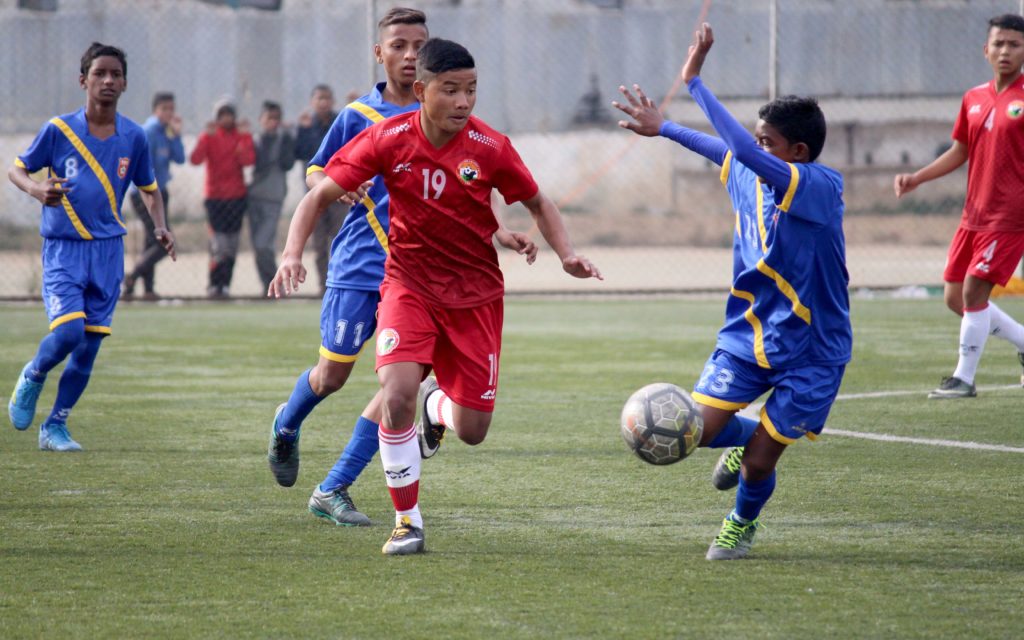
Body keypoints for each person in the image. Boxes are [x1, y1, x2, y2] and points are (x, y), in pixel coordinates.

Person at [270, 37, 601, 555]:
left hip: (476, 299)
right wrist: (291, 254)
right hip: (407, 286)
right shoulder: (386, 138)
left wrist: (567, 253)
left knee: (472, 431)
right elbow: (319, 195)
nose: (464, 102)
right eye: (452, 90)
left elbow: (538, 202)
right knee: (395, 393)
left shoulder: (490, 147)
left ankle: (438, 411)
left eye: (471, 90)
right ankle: (407, 522)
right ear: (422, 90)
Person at [615, 22, 851, 560]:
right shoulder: (749, 171)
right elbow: (720, 148)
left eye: (768, 143)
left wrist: (693, 81)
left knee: (762, 462)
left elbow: (739, 148)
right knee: (695, 431)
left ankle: (741, 523)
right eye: (757, 138)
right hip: (747, 335)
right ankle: (748, 434)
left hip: (813, 351)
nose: (754, 147)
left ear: (798, 151)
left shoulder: (817, 186)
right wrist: (665, 127)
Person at [265, 7, 431, 527]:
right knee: (333, 376)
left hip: (415, 276)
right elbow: (317, 170)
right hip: (359, 267)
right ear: (379, 54)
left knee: (400, 387)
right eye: (399, 45)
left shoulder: (442, 114)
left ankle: (333, 488)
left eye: (419, 46)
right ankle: (287, 425)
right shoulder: (359, 115)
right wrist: (335, 189)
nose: (410, 55)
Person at [7, 42, 176, 451]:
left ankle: (55, 426)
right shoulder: (60, 130)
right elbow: (17, 169)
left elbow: (150, 190)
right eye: (99, 73)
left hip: (108, 253)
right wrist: (35, 187)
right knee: (67, 335)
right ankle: (33, 373)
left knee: (89, 346)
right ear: (84, 80)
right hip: (64, 249)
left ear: (125, 83)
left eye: (115, 74)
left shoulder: (134, 137)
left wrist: (160, 227)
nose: (107, 81)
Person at [894, 13, 1024, 399]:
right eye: (999, 43)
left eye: (1014, 44)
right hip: (973, 215)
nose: (1005, 51)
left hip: (1009, 216)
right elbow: (959, 151)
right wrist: (916, 177)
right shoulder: (974, 98)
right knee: (956, 298)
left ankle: (963, 379)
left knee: (973, 294)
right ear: (986, 50)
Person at [190, 100, 255, 298]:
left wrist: (245, 137)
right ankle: (214, 283)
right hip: (215, 198)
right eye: (222, 115)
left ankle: (225, 284)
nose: (226, 119)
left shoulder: (240, 136)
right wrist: (203, 138)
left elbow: (248, 160)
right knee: (219, 245)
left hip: (236, 197)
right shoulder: (210, 136)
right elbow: (195, 160)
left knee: (232, 244)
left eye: (229, 114)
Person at [124, 91, 183, 300]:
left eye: (172, 109)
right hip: (144, 193)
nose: (169, 113)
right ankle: (132, 276)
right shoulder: (148, 131)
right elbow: (141, 166)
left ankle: (147, 288)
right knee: (163, 241)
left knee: (152, 240)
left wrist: (176, 135)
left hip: (161, 192)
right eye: (165, 109)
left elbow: (180, 158)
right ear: (155, 110)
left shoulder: (166, 132)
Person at [295, 84, 343, 294]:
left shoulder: (341, 122)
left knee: (340, 239)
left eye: (327, 98)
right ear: (312, 102)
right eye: (319, 99)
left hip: (341, 190)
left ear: (332, 101)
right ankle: (324, 285)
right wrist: (304, 130)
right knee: (319, 242)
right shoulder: (307, 126)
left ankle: (340, 281)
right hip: (315, 193)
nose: (323, 102)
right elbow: (301, 154)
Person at [247, 100, 296, 292]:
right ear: (261, 119)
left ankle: (276, 283)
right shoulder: (254, 140)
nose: (273, 123)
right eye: (269, 118)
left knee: (263, 245)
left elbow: (287, 163)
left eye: (277, 119)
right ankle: (267, 285)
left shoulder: (283, 140)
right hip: (253, 197)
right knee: (258, 247)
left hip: (273, 197)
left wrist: (286, 137)